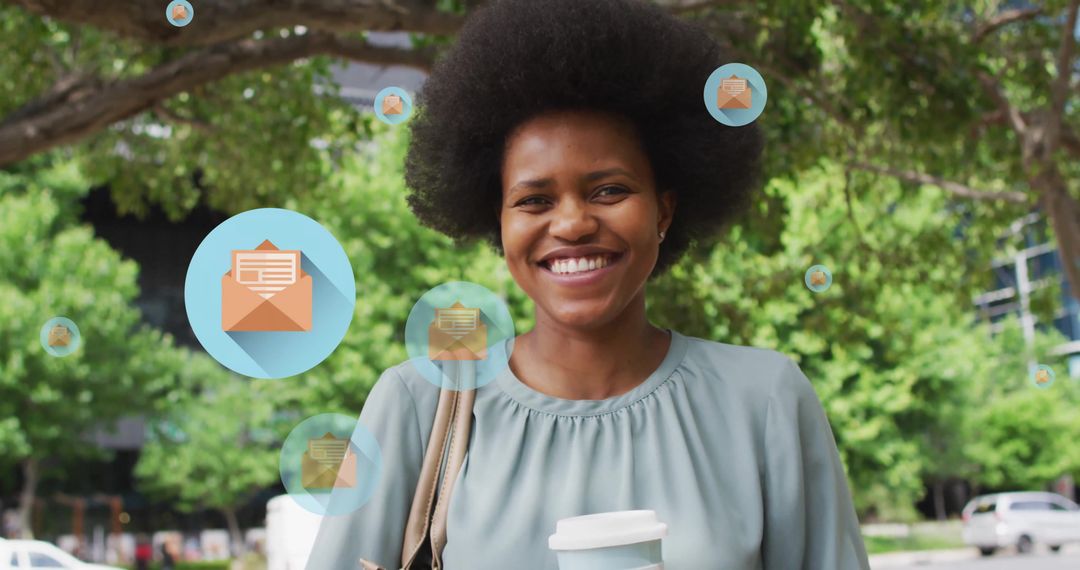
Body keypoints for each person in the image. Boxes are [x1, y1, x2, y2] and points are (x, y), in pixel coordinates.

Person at [308, 0, 870, 568]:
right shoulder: (419, 404)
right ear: (498, 223)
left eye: (609, 190)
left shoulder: (765, 401)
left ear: (664, 211)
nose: (573, 224)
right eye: (534, 200)